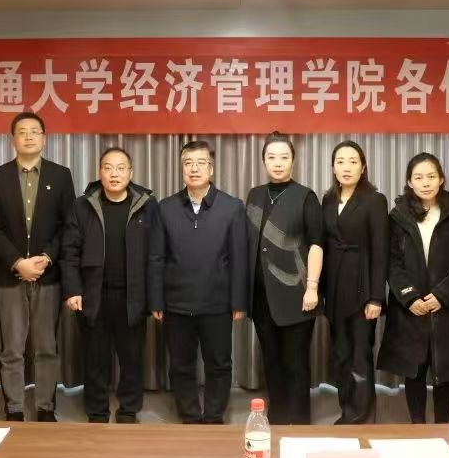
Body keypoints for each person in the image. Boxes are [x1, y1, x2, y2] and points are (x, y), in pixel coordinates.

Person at [0, 112, 75, 422]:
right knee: (12, 348)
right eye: (22, 131)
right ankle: (15, 408)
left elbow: (68, 224)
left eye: (35, 131)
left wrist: (46, 258)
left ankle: (46, 407)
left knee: (47, 346)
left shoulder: (61, 176)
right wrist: (18, 262)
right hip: (9, 276)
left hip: (49, 276)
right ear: (13, 139)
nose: (29, 136)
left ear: (44, 138)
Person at [148, 140, 248, 424]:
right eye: (188, 163)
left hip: (217, 303)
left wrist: (238, 302)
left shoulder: (232, 207)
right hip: (176, 304)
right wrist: (156, 300)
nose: (194, 169)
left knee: (219, 364)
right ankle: (190, 417)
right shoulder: (166, 208)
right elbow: (156, 257)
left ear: (211, 168)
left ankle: (214, 417)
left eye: (200, 163)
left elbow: (239, 258)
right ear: (181, 169)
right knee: (181, 365)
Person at [377, 152, 449, 424]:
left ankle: (443, 428)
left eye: (431, 176)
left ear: (441, 179)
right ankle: (417, 427)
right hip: (411, 307)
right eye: (419, 177)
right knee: (415, 370)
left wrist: (442, 295)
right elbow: (391, 263)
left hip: (448, 307)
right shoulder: (397, 216)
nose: (425, 182)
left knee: (445, 371)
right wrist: (409, 297)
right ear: (409, 182)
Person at [61, 147, 158, 424]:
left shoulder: (148, 205)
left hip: (133, 296)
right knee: (95, 358)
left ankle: (128, 410)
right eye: (108, 167)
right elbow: (69, 251)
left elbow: (156, 254)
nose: (114, 174)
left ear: (131, 172)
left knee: (132, 359)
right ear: (99, 172)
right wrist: (73, 289)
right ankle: (97, 411)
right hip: (94, 296)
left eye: (120, 168)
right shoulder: (82, 206)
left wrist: (155, 298)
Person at [246, 131, 323, 425]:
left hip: (297, 295)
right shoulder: (255, 195)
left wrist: (312, 288)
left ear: (293, 160)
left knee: (295, 364)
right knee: (271, 363)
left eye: (284, 157)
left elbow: (316, 244)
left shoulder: (305, 196)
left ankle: (300, 424)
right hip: (261, 297)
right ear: (263, 161)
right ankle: (277, 421)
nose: (277, 163)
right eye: (271, 157)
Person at [321, 140, 389, 424]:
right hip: (335, 289)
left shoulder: (374, 199)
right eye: (340, 162)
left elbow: (380, 250)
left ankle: (361, 417)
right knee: (341, 354)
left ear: (363, 167)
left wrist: (376, 297)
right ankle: (346, 411)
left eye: (352, 161)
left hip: (362, 289)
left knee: (360, 355)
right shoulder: (327, 200)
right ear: (333, 168)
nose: (346, 167)